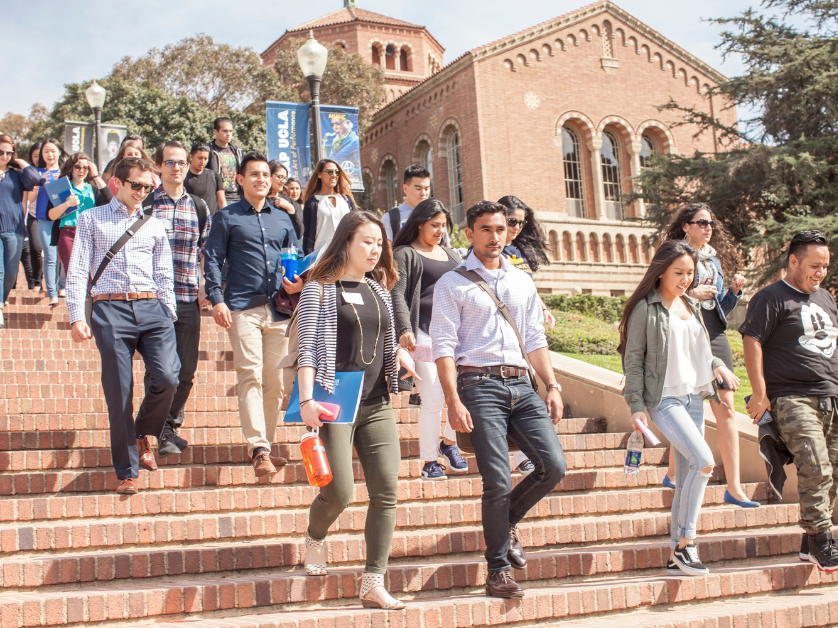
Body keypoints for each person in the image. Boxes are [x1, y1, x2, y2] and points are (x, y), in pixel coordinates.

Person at [431, 201, 567, 598]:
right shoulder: (451, 283)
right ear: (470, 235)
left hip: (523, 385)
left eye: (500, 229)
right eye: (485, 229)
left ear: (509, 233)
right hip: (478, 385)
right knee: (497, 480)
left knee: (553, 466)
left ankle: (506, 521)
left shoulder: (522, 282)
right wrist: (452, 401)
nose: (494, 236)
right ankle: (497, 570)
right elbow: (443, 346)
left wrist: (553, 384)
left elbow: (535, 338)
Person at [297, 210, 417, 610]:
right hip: (336, 400)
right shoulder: (319, 288)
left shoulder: (379, 290)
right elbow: (308, 347)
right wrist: (307, 400)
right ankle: (315, 536)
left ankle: (373, 582)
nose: (375, 249)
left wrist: (398, 354)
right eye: (367, 241)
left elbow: (381, 338)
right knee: (340, 492)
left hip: (377, 399)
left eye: (379, 243)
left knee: (386, 491)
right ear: (346, 241)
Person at [620, 240, 739, 577]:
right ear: (661, 271)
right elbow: (633, 360)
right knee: (704, 463)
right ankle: (688, 543)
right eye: (679, 272)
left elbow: (697, 347)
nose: (686, 279)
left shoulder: (690, 304)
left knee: (689, 473)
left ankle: (677, 552)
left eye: (690, 273)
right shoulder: (646, 308)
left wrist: (717, 364)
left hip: (693, 397)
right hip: (664, 399)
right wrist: (636, 406)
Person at [65, 156, 179, 495]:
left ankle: (144, 432)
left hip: (152, 307)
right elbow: (77, 270)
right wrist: (76, 316)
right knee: (119, 394)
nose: (143, 192)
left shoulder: (155, 225)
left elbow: (163, 273)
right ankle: (127, 471)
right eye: (137, 185)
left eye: (148, 187)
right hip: (109, 308)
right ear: (118, 183)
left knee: (169, 376)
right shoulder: (91, 218)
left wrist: (168, 310)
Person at [740, 230, 838, 572]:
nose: (820, 272)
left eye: (825, 266)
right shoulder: (770, 297)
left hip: (831, 396)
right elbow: (752, 340)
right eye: (814, 265)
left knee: (833, 472)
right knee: (815, 465)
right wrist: (761, 392)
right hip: (791, 396)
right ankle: (824, 539)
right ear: (793, 261)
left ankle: (810, 542)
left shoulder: (825, 298)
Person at [204, 152, 301, 477]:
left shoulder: (282, 217)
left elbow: (296, 255)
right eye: (254, 174)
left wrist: (297, 280)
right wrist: (216, 298)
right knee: (251, 374)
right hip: (242, 306)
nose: (261, 179)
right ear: (240, 180)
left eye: (265, 174)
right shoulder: (227, 217)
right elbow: (213, 259)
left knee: (275, 383)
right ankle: (258, 448)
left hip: (278, 308)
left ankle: (266, 449)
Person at [661, 204, 755, 506]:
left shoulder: (713, 259)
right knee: (687, 404)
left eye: (711, 222)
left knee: (726, 407)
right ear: (686, 226)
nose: (708, 227)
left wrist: (735, 293)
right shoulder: (674, 254)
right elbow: (662, 296)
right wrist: (691, 294)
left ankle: (734, 487)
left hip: (714, 335)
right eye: (701, 222)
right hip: (687, 335)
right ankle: (675, 473)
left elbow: (718, 309)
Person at [390, 199, 467, 480]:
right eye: (434, 225)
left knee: (465, 393)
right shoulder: (404, 253)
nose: (439, 231)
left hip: (455, 334)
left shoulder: (452, 255)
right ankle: (429, 462)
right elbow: (397, 293)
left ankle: (448, 443)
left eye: (443, 226)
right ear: (419, 223)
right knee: (434, 397)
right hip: (421, 331)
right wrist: (403, 328)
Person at [148, 140, 213, 457]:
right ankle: (156, 430)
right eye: (170, 162)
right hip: (154, 300)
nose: (177, 167)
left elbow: (205, 253)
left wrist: (206, 287)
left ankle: (169, 426)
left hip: (188, 297)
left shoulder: (199, 207)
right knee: (161, 371)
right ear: (158, 166)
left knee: (185, 371)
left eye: (181, 162)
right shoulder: (146, 205)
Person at [497, 195, 558, 476]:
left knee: (528, 391)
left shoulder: (517, 254)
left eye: (520, 223)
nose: (516, 228)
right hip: (501, 339)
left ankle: (526, 456)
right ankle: (450, 443)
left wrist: (543, 308)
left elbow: (527, 290)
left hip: (525, 336)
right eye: (511, 221)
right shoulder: (492, 252)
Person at [46, 152, 111, 270]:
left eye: (85, 168)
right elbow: (50, 215)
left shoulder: (92, 188)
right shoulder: (62, 187)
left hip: (90, 234)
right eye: (77, 167)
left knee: (91, 275)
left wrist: (96, 176)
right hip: (68, 233)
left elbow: (110, 200)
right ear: (71, 167)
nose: (81, 171)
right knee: (72, 272)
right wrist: (67, 204)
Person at [0, 134, 40, 327]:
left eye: (9, 152)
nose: (5, 156)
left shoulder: (17, 174)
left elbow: (36, 179)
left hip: (14, 227)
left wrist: (21, 162)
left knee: (10, 272)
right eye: (1, 152)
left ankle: (2, 298)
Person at [34, 138, 69, 306]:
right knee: (50, 256)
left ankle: (62, 286)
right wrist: (36, 185)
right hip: (43, 218)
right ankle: (52, 293)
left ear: (59, 152)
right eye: (46, 151)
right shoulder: (37, 173)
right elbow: (31, 198)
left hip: (63, 219)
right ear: (42, 154)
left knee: (63, 256)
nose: (50, 154)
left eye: (53, 151)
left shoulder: (65, 173)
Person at [301, 159, 357, 255]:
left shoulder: (346, 200)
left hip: (346, 252)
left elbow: (356, 226)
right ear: (319, 175)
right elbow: (307, 235)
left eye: (337, 172)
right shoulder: (312, 203)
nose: (334, 175)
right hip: (321, 255)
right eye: (330, 172)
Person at [383, 165, 432, 243]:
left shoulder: (436, 214)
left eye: (426, 189)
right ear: (405, 188)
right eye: (418, 189)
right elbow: (387, 252)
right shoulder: (390, 218)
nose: (423, 193)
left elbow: (446, 247)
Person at [20, 141, 43, 291]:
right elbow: (28, 199)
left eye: (39, 155)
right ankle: (36, 281)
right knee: (35, 248)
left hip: (51, 215)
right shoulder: (28, 173)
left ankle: (45, 282)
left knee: (49, 251)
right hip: (33, 214)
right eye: (34, 156)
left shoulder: (56, 172)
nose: (38, 158)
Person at [207, 117, 243, 205]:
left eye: (230, 131)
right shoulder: (209, 150)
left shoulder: (237, 150)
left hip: (238, 197)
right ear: (216, 131)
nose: (228, 134)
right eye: (225, 131)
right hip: (218, 198)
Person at [185, 142, 226, 216]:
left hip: (212, 223)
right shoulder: (183, 177)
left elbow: (221, 202)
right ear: (191, 157)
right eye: (199, 158)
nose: (203, 162)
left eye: (205, 159)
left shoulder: (215, 176)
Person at [267, 161, 303, 239]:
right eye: (280, 177)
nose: (283, 181)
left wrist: (291, 210)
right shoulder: (260, 201)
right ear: (269, 175)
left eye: (285, 178)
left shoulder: (291, 202)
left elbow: (299, 233)